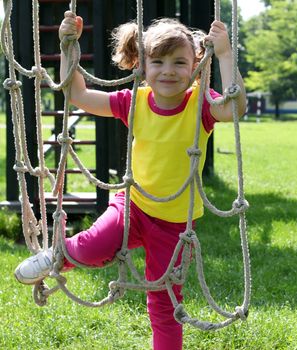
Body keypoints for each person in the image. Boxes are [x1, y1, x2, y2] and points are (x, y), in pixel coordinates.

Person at [14, 11, 246, 350]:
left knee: (164, 302)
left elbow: (236, 109)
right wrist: (69, 46)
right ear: (142, 65)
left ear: (196, 63)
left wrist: (225, 54)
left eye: (179, 62)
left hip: (174, 224)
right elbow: (78, 95)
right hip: (133, 205)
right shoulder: (134, 101)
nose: (168, 70)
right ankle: (58, 255)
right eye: (158, 61)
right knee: (92, 246)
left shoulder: (201, 105)